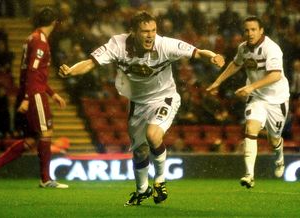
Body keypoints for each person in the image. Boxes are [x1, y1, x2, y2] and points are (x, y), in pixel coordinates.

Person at [59, 11, 224, 205]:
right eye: (145, 31)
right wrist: (71, 70)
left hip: (165, 97)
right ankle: (142, 190)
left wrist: (213, 57)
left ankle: (160, 181)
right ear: (133, 32)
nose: (150, 35)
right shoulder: (117, 45)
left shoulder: (165, 45)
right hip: (137, 103)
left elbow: (197, 52)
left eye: (153, 30)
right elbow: (90, 63)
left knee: (153, 135)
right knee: (139, 151)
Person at [0, 7, 68, 189]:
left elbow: (36, 74)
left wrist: (53, 94)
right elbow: (33, 72)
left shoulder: (32, 37)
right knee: (46, 133)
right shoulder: (40, 41)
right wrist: (29, 98)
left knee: (30, 140)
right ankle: (45, 179)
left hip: (30, 90)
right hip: (33, 94)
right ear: (54, 22)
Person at [207, 16, 289, 189]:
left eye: (253, 29)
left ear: (261, 31)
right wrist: (218, 81)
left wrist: (250, 86)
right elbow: (235, 64)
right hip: (257, 97)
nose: (250, 33)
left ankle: (279, 158)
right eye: (247, 30)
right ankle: (249, 174)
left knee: (274, 140)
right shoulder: (243, 48)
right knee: (250, 128)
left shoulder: (272, 48)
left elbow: (275, 75)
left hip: (277, 99)